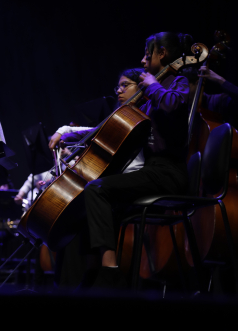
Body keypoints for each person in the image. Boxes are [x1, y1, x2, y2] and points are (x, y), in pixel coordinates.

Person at [56, 32, 192, 290]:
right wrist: (70, 133)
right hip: (153, 172)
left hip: (169, 173)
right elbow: (114, 128)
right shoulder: (152, 95)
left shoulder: (178, 82)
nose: (143, 60)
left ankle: (110, 271)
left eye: (146, 53)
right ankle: (93, 270)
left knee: (96, 190)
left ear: (161, 54)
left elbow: (173, 105)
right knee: (89, 199)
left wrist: (152, 85)